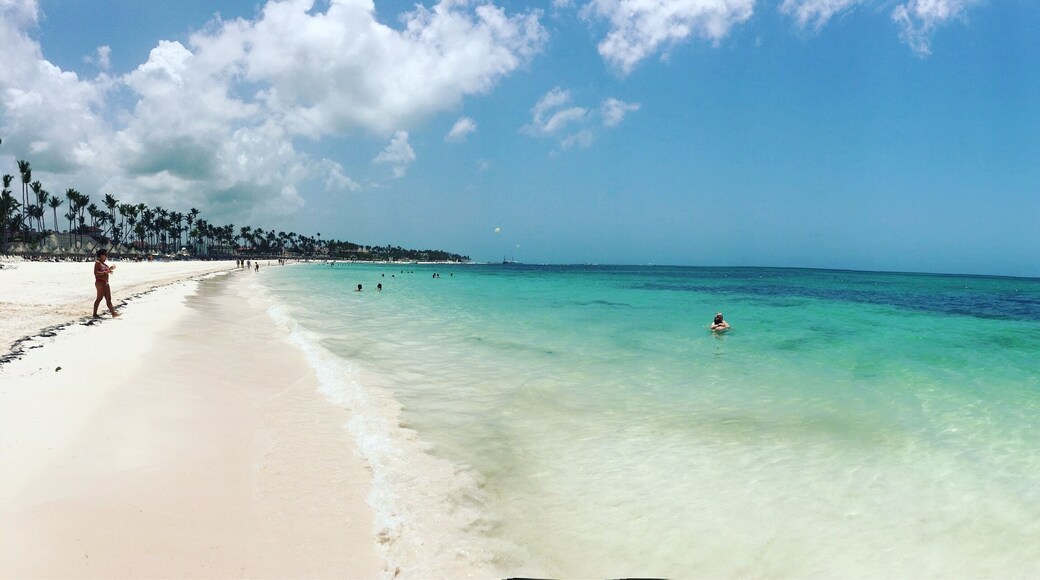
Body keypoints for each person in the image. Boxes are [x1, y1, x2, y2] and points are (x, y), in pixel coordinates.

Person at [93, 248, 119, 318]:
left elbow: (106, 271)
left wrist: (110, 269)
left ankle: (113, 313)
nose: (106, 256)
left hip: (106, 283)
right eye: (105, 255)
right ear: (101, 255)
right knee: (99, 298)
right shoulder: (98, 263)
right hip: (100, 283)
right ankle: (94, 314)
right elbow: (96, 273)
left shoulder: (104, 264)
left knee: (108, 299)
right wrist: (106, 272)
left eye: (106, 255)